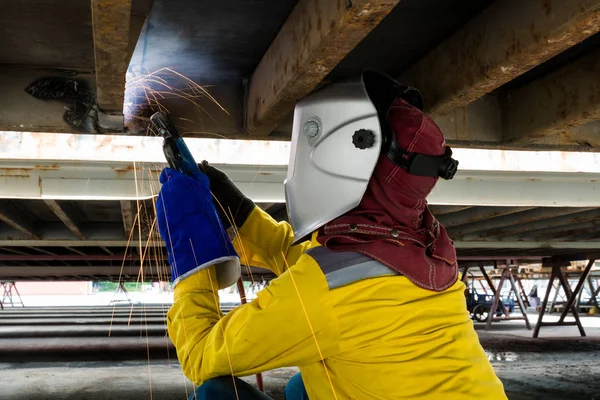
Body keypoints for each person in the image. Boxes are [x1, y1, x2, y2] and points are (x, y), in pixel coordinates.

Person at [156, 71, 507, 399]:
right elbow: (322, 269)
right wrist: (241, 213)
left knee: (214, 394)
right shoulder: (419, 241)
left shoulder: (327, 291)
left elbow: (201, 356)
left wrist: (191, 249)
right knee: (303, 388)